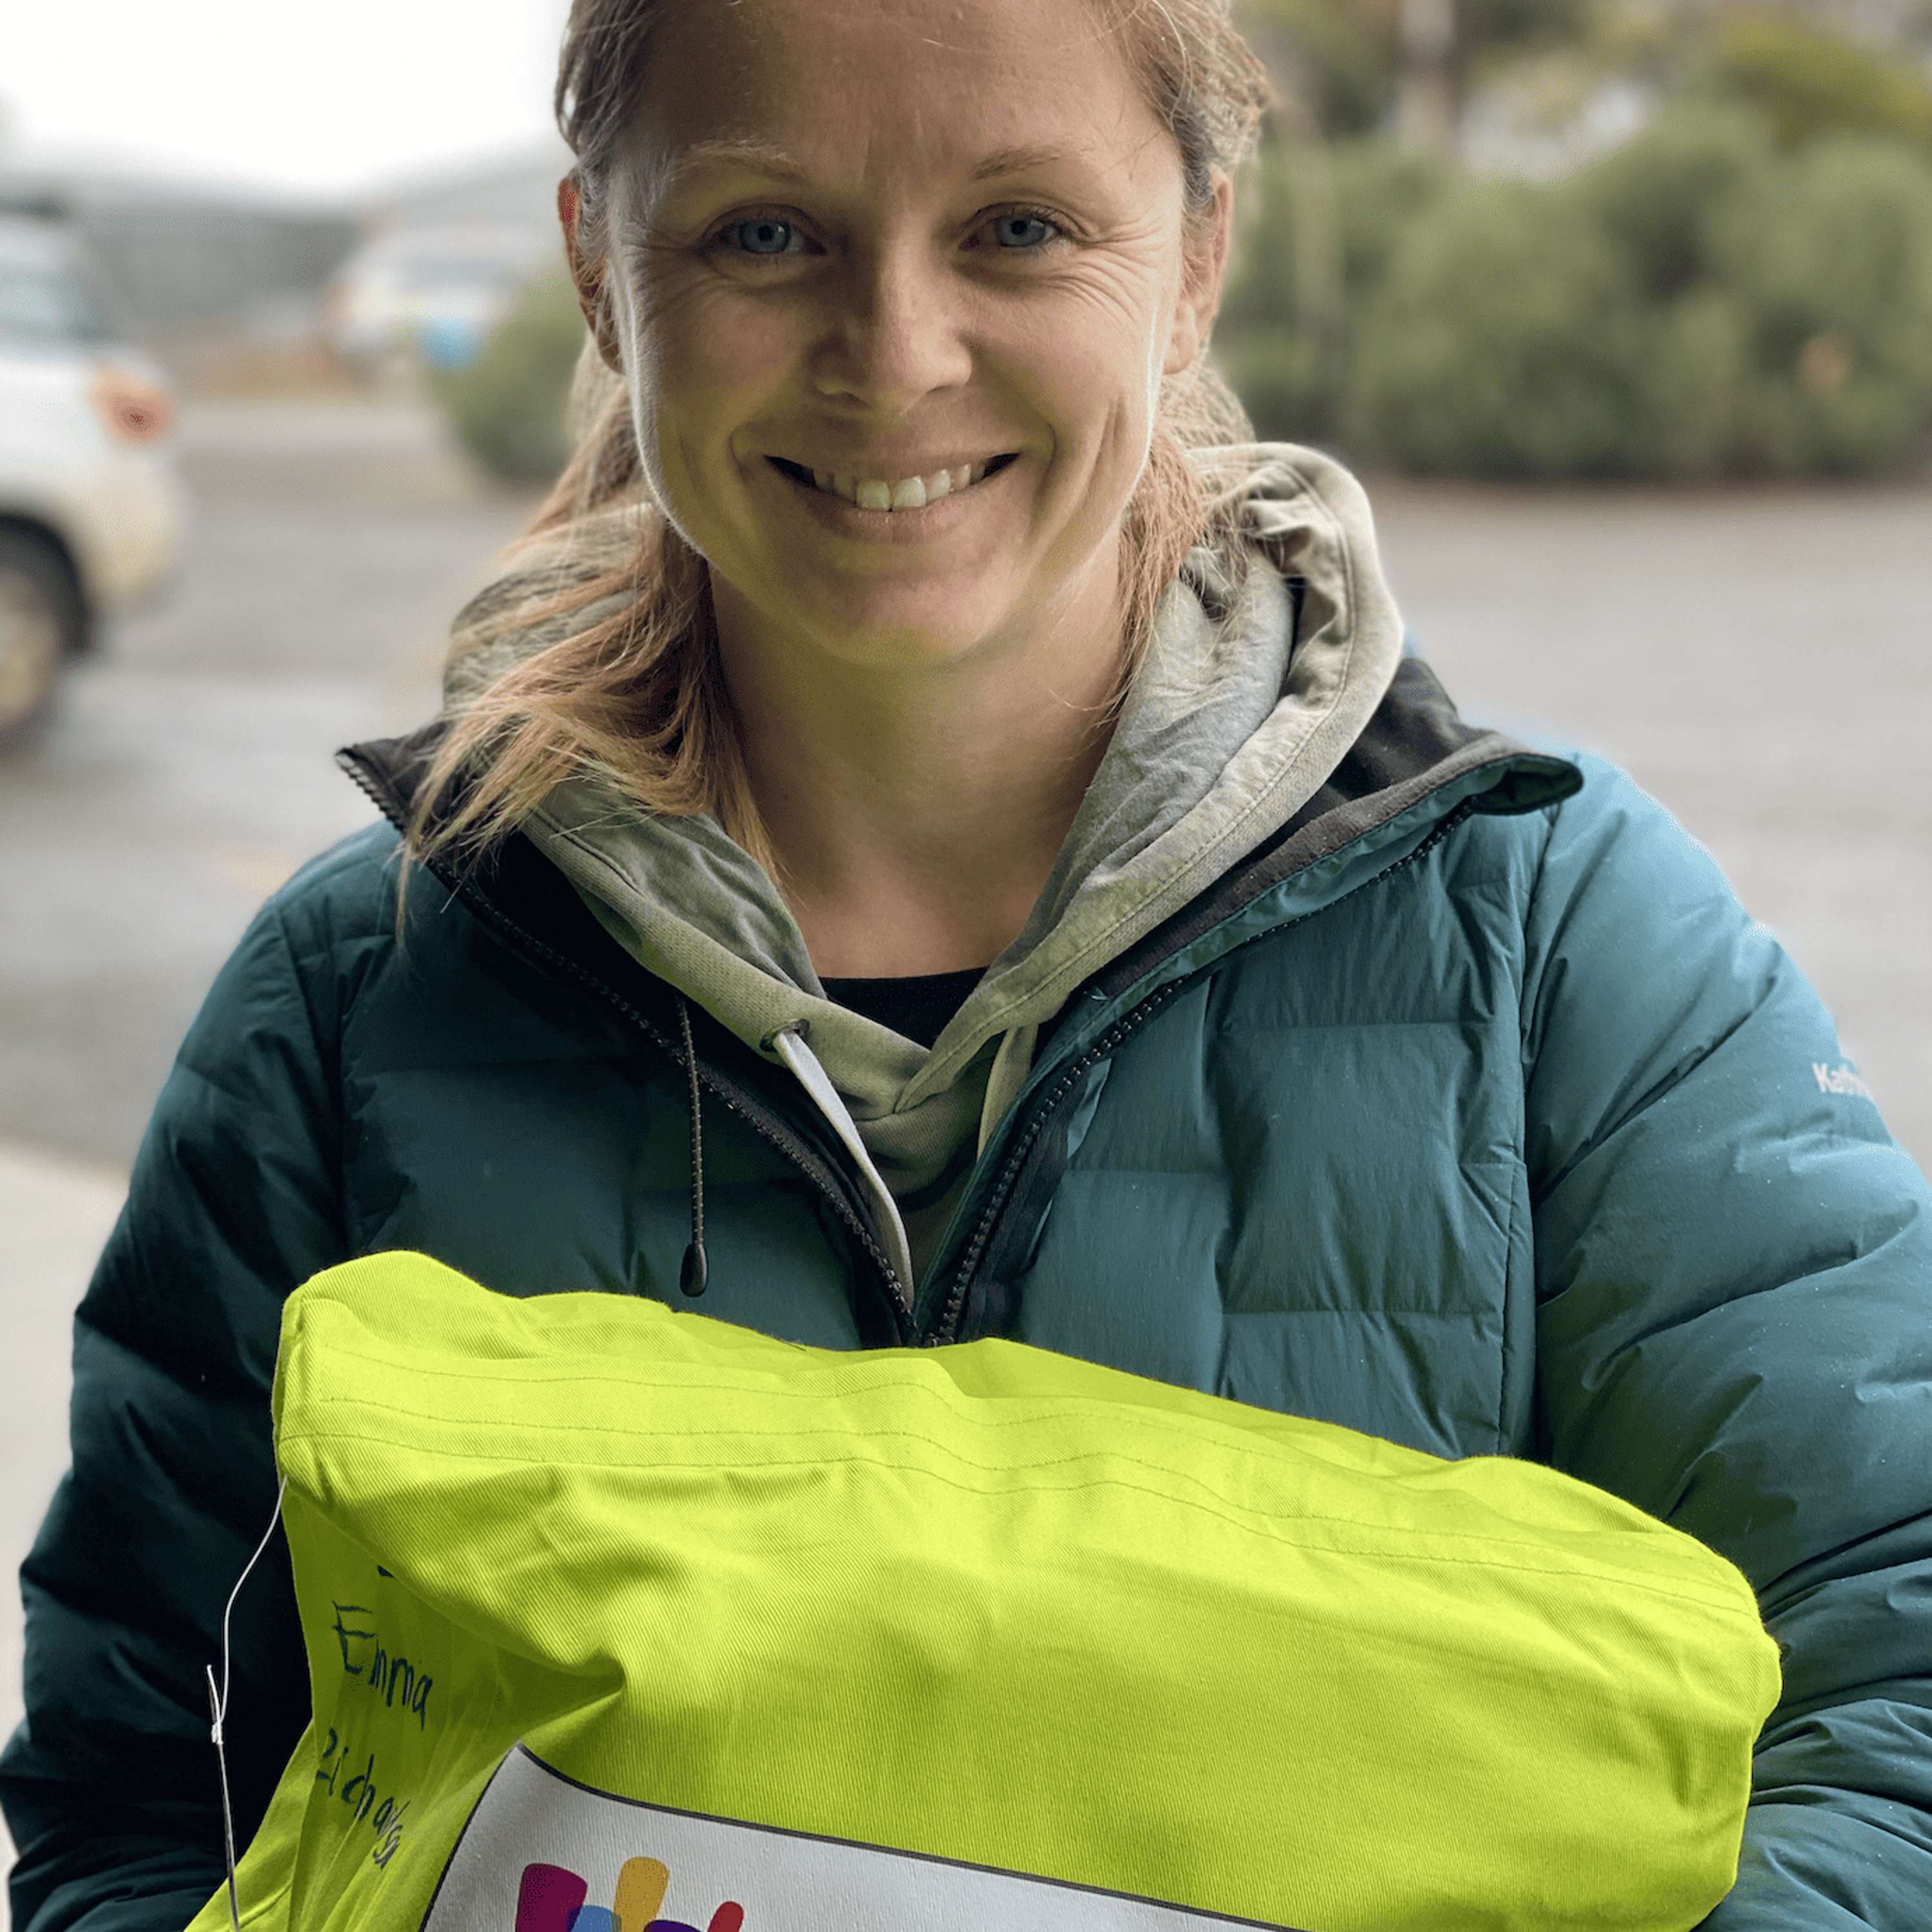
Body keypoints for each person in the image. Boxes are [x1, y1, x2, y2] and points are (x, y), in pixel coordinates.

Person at [5, 0, 1929, 1926]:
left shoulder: (1553, 943)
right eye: (767, 233)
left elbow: (1895, 1679)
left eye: (1018, 228)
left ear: (1199, 260)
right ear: (602, 270)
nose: (895, 356)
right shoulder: (358, 1005)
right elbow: (139, 1799)